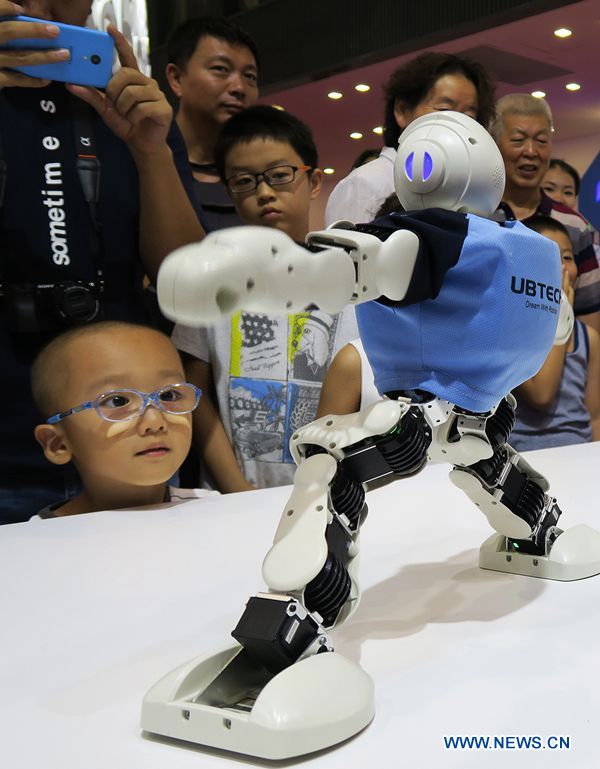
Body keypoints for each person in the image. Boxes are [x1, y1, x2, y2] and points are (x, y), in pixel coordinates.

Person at [0, 1, 205, 524]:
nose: (39, 11)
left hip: (130, 428)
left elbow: (186, 278)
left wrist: (151, 153)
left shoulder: (130, 102)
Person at [172, 105, 358, 491]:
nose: (264, 193)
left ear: (313, 181)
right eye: (244, 181)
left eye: (279, 175)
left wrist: (322, 482)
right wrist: (235, 487)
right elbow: (194, 392)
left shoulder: (352, 278)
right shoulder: (211, 280)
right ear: (229, 191)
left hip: (332, 486)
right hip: (235, 492)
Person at [31, 321, 215, 517]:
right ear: (58, 444)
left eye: (168, 395)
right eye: (118, 401)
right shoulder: (41, 535)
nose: (155, 422)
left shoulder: (215, 511)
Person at [324, 51, 496, 225]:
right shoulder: (365, 183)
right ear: (402, 110)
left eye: (468, 116)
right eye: (444, 109)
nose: (457, 123)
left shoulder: (469, 188)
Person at [491, 93, 600, 333]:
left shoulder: (574, 224)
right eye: (518, 140)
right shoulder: (477, 216)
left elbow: (589, 319)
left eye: (541, 141)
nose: (531, 151)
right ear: (496, 144)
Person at [509, 216, 599, 451]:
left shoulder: (588, 338)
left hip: (579, 455)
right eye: (547, 257)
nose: (560, 268)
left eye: (567, 257)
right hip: (526, 458)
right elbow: (541, 395)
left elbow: (595, 418)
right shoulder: (508, 332)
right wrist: (560, 314)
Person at [165, 16, 259, 231]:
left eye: (250, 76)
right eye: (220, 69)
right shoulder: (148, 161)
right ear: (176, 78)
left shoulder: (262, 175)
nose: (239, 88)